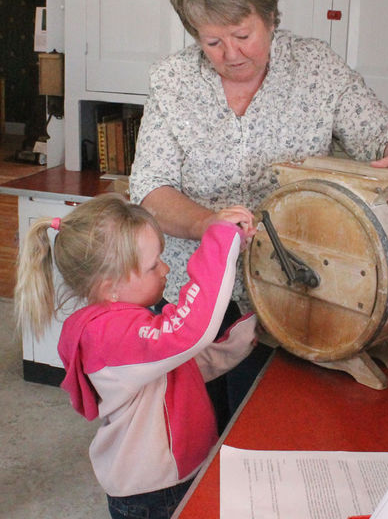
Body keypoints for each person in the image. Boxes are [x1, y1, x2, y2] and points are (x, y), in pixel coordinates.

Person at [129, 0, 388, 418]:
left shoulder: (316, 68)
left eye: (242, 34)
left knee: (266, 426)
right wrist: (209, 226)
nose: (230, 53)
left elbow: (382, 130)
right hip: (190, 297)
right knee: (189, 431)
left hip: (296, 295)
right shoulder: (172, 81)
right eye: (212, 41)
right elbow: (150, 188)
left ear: (271, 16)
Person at [14, 192, 257, 519]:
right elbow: (188, 332)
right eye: (153, 264)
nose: (165, 268)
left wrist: (256, 330)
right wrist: (219, 241)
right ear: (110, 287)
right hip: (153, 493)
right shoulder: (108, 337)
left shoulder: (127, 323)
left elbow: (187, 366)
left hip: (176, 475)